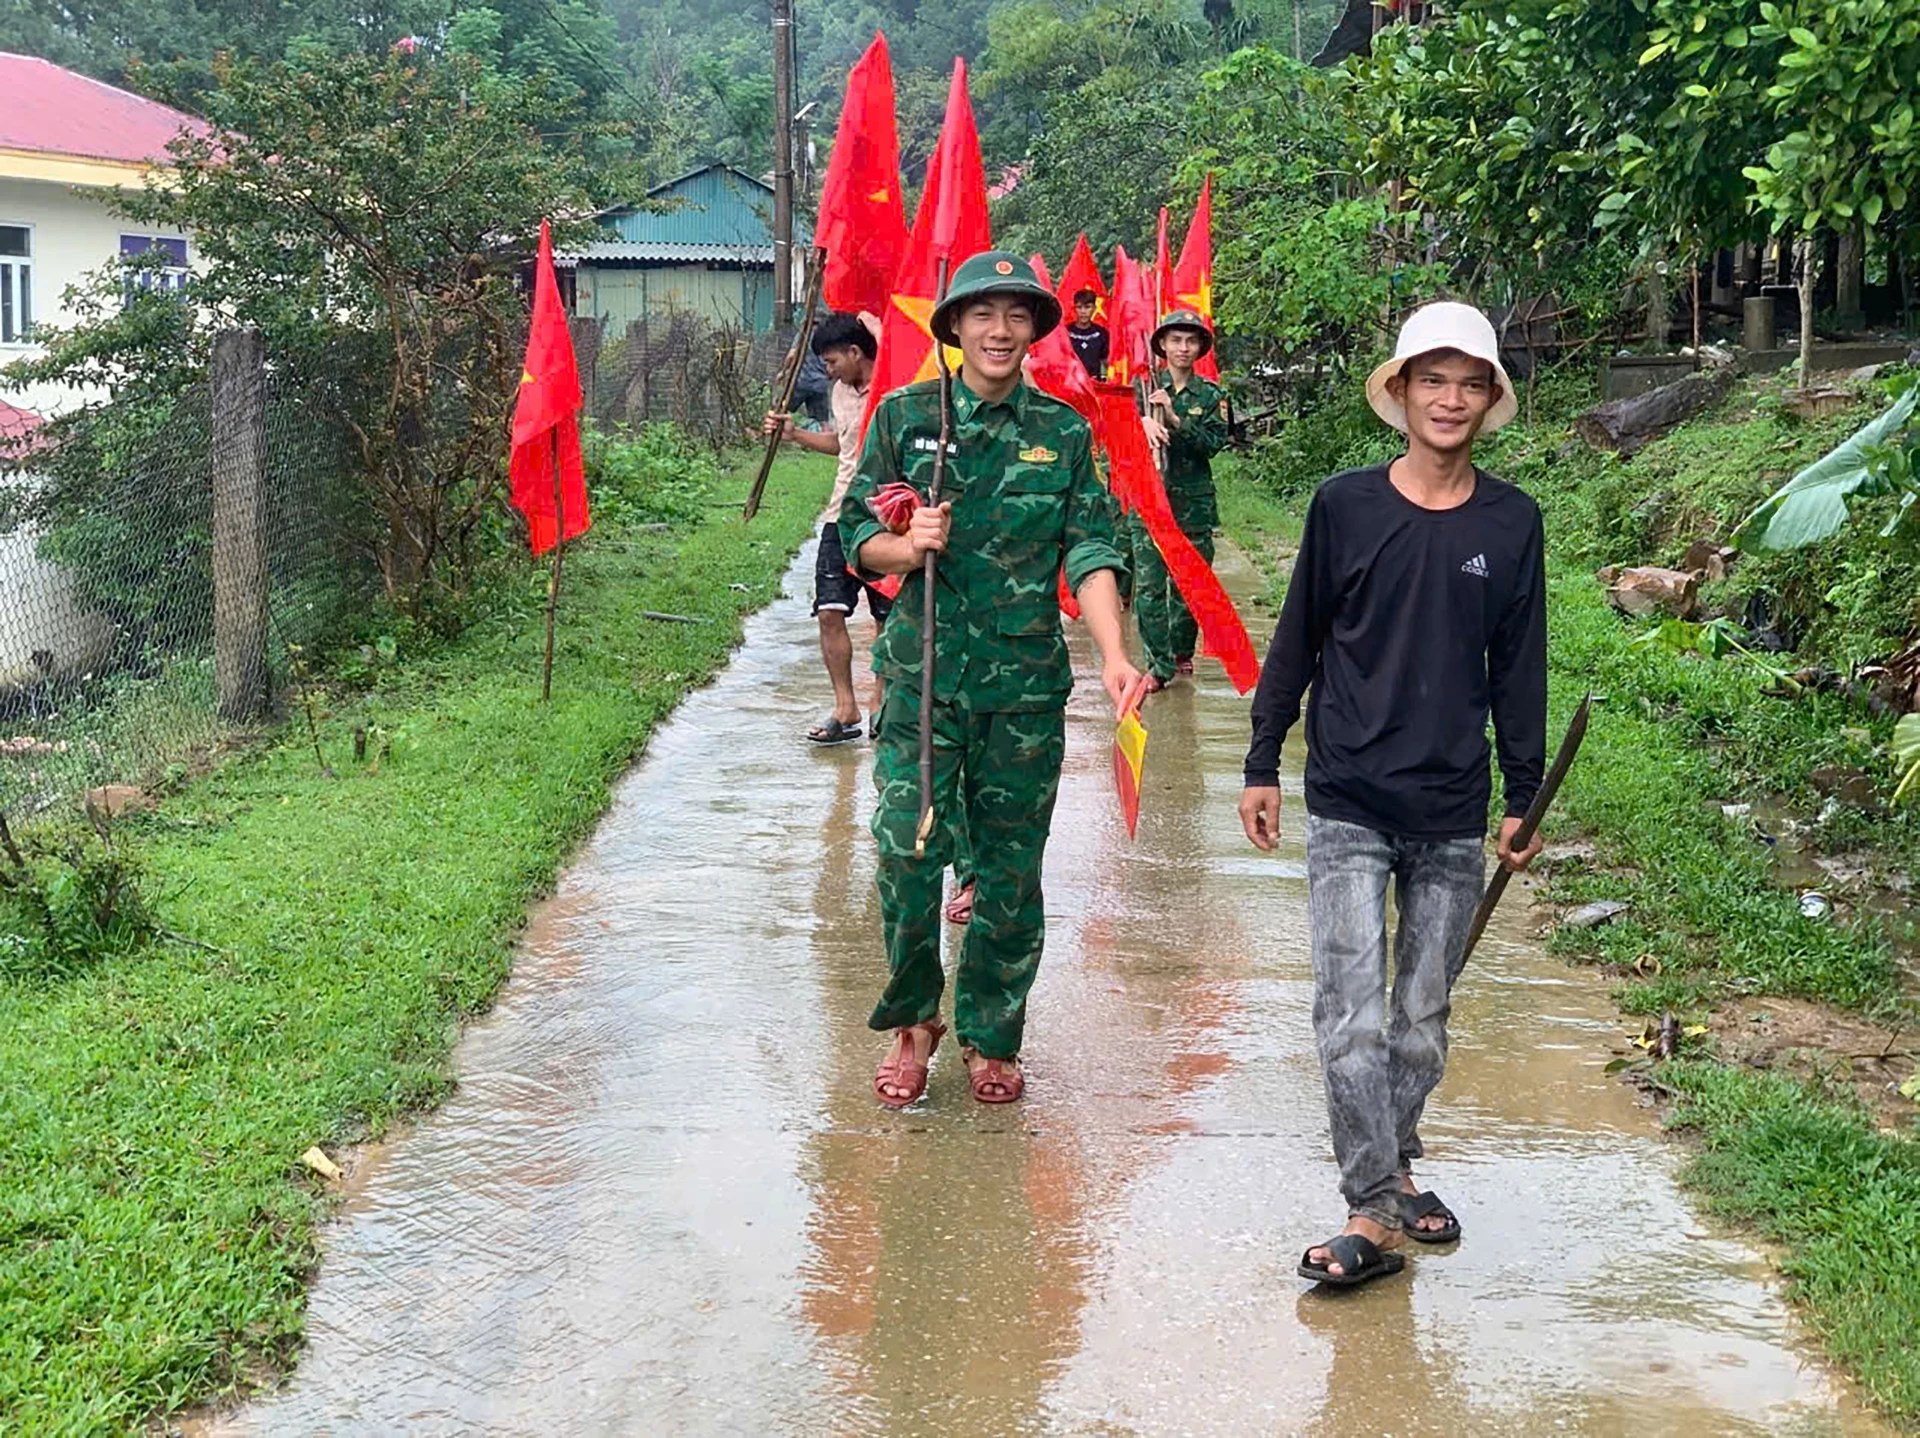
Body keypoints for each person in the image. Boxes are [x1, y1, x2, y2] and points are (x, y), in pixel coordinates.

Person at [1237, 301, 1547, 1287]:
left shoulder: (1512, 520)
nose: (1449, 399)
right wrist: (1259, 758)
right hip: (1349, 796)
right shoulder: (1344, 506)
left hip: (1452, 806)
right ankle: (1371, 1208)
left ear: (1488, 398)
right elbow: (1298, 640)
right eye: (1432, 379)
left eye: (1469, 382)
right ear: (1402, 393)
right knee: (1351, 1015)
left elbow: (1520, 666)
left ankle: (1396, 1162)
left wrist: (1522, 791)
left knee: (1421, 1018)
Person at [838, 251, 1143, 1108]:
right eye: (982, 315)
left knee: (1009, 870)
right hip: (924, 677)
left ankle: (992, 1035)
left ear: (1034, 331)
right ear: (955, 329)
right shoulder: (905, 418)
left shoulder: (1065, 432)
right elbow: (859, 535)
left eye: (1016, 317)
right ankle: (913, 1021)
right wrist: (907, 546)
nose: (1000, 331)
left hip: (1023, 688)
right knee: (904, 851)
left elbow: (1089, 549)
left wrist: (1115, 653)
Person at [764, 312, 885, 744]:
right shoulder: (839, 392)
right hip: (841, 516)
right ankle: (845, 706)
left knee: (887, 618)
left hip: (886, 518)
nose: (828, 370)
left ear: (857, 352)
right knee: (829, 612)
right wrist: (795, 434)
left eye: (832, 361)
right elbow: (841, 444)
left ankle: (882, 703)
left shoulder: (894, 385)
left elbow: (887, 332)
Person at [1135, 310, 1228, 691]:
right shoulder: (1141, 388)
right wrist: (1141, 422)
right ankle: (1157, 665)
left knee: (1191, 585)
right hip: (1148, 500)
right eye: (1175, 340)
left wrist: (1174, 419)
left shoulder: (1210, 395)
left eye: (1190, 341)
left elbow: (1212, 444)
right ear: (1162, 345)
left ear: (1200, 347)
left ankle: (1179, 649)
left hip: (1192, 505)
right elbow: (1116, 439)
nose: (1183, 348)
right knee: (1149, 586)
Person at [1065, 289, 1110, 380]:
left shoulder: (1102, 333)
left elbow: (1107, 362)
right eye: (1079, 307)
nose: (1083, 311)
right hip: (1071, 384)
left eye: (1087, 307)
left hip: (1094, 384)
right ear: (1074, 308)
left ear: (1094, 308)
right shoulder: (1065, 332)